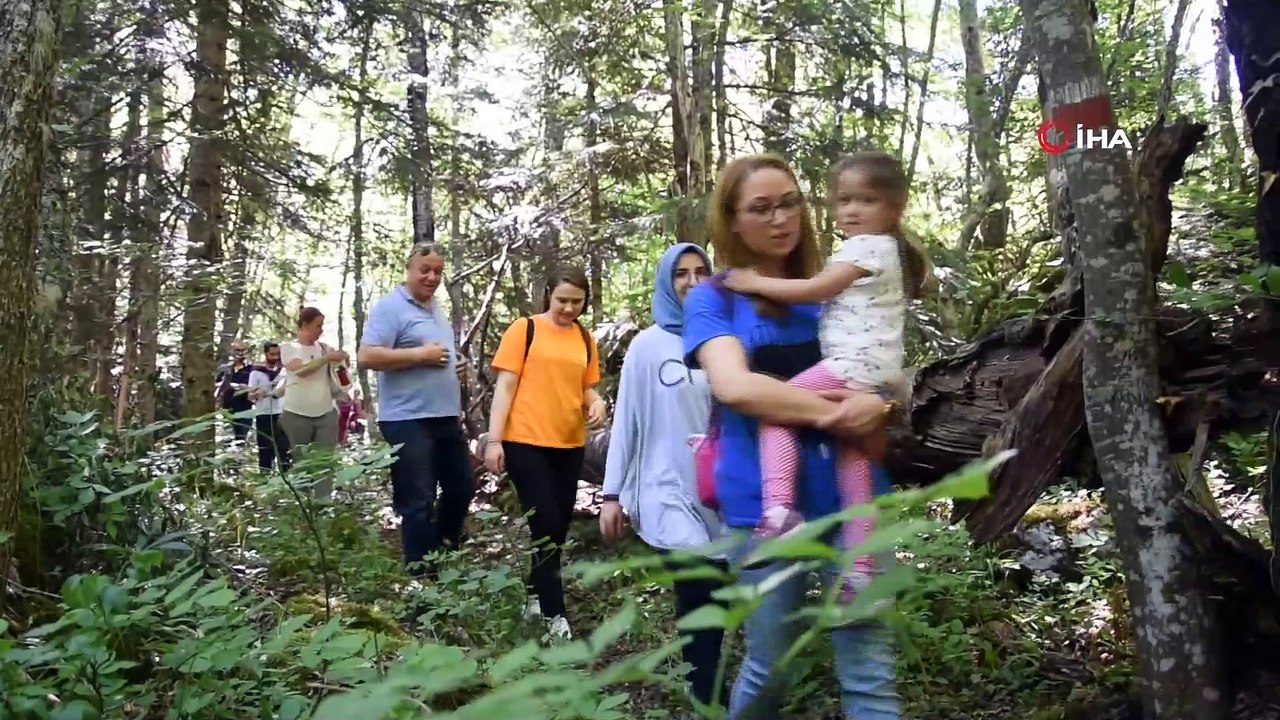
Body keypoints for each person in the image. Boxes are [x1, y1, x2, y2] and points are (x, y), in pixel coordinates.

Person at [683, 153, 901, 720]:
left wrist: (881, 405)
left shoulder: (836, 288)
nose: (780, 219)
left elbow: (881, 373)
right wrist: (841, 412)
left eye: (789, 203)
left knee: (870, 673)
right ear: (732, 220)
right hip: (764, 509)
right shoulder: (715, 298)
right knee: (771, 665)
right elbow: (736, 388)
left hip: (854, 502)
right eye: (761, 208)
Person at [724, 150, 930, 600]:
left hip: (850, 365)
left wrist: (754, 283)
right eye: (843, 201)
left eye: (866, 201)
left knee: (778, 411)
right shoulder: (887, 249)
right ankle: (859, 570)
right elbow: (730, 384)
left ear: (894, 208)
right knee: (854, 464)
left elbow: (815, 289)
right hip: (872, 372)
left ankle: (779, 508)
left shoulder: (865, 247)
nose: (851, 211)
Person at [600, 242, 730, 708]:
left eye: (701, 272)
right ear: (666, 281)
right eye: (682, 274)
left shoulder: (722, 338)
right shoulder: (648, 346)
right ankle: (707, 696)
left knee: (719, 593)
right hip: (664, 486)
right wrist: (612, 493)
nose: (693, 282)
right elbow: (627, 422)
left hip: (718, 488)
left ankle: (709, 680)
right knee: (699, 583)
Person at [484, 267, 608, 641]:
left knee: (557, 527)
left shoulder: (585, 338)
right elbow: (505, 387)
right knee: (545, 523)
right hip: (525, 440)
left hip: (569, 444)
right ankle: (556, 617)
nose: (569, 308)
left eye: (577, 302)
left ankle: (535, 597)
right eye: (562, 300)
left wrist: (597, 400)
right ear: (548, 295)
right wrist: (493, 440)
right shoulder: (525, 330)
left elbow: (584, 386)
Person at [359, 243, 475, 577]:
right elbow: (367, 357)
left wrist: (456, 365)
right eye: (425, 270)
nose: (432, 277)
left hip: (444, 416)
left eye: (438, 271)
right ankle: (422, 580)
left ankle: (442, 552)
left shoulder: (436, 308)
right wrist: (418, 356)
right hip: (407, 419)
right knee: (418, 500)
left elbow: (435, 353)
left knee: (462, 487)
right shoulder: (390, 308)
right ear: (409, 269)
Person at [280, 306, 346, 499]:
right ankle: (302, 506)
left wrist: (340, 361)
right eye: (318, 325)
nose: (321, 330)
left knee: (324, 461)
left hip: (325, 412)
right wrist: (326, 359)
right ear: (305, 325)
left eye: (322, 326)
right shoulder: (289, 347)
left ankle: (323, 504)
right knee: (301, 462)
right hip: (296, 414)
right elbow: (300, 370)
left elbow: (338, 373)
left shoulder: (324, 348)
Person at [248, 341, 291, 472]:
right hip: (263, 415)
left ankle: (286, 480)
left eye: (278, 354)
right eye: (272, 354)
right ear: (266, 354)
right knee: (265, 450)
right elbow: (250, 396)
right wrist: (258, 393)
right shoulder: (256, 373)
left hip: (282, 413)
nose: (276, 357)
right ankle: (264, 478)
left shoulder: (285, 371)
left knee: (284, 450)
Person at [215, 341, 254, 444]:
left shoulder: (252, 368)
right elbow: (217, 386)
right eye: (237, 350)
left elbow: (255, 387)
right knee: (227, 437)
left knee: (241, 438)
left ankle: (240, 458)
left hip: (245, 408)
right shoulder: (225, 368)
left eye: (243, 350)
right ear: (231, 351)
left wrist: (244, 387)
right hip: (227, 408)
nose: (240, 353)